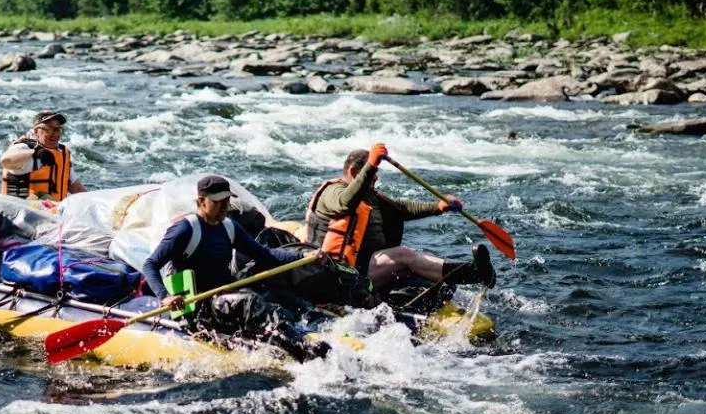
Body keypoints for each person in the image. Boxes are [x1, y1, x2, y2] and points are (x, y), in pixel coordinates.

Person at [142, 175, 329, 360]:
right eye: (218, 201)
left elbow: (266, 255)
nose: (225, 206)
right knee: (250, 302)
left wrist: (304, 256)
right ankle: (302, 351)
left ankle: (294, 340)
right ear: (201, 201)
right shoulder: (184, 229)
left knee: (274, 299)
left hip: (223, 297)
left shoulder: (230, 227)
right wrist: (165, 297)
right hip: (197, 307)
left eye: (227, 200)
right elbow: (150, 264)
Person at [305, 143, 496, 293]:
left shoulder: (369, 195)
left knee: (417, 261)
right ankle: (472, 274)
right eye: (372, 175)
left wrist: (438, 206)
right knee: (402, 255)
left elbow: (400, 209)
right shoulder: (332, 192)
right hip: (337, 272)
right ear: (355, 172)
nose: (376, 179)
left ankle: (447, 285)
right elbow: (344, 203)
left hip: (363, 267)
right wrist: (371, 165)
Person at [0, 110, 87, 201]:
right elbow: (5, 160)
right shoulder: (24, 148)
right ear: (36, 131)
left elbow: (76, 188)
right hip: (23, 211)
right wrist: (35, 153)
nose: (54, 134)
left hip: (52, 212)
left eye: (58, 130)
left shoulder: (61, 153)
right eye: (49, 130)